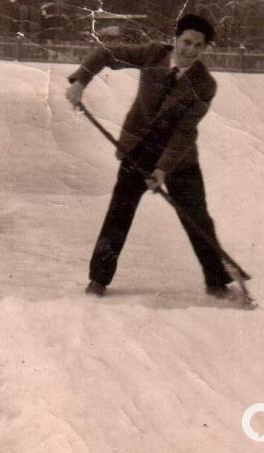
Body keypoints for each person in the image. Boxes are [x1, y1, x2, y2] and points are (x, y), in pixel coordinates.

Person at [66, 14, 245, 299]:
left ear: (205, 48)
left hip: (179, 158)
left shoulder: (204, 84)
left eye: (198, 45)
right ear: (176, 39)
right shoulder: (152, 54)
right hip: (138, 149)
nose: (190, 50)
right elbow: (106, 53)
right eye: (186, 42)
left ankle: (216, 281)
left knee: (196, 216)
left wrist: (162, 169)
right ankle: (98, 279)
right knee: (119, 212)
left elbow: (184, 132)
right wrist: (80, 81)